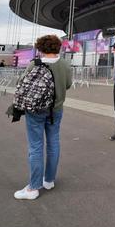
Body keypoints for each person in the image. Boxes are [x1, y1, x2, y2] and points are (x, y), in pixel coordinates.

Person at [14, 34, 73, 200]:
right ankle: (49, 180)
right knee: (53, 142)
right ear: (58, 47)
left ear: (40, 48)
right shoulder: (65, 64)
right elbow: (67, 84)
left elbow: (22, 83)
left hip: (36, 110)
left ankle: (33, 188)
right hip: (56, 110)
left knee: (36, 146)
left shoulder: (34, 64)